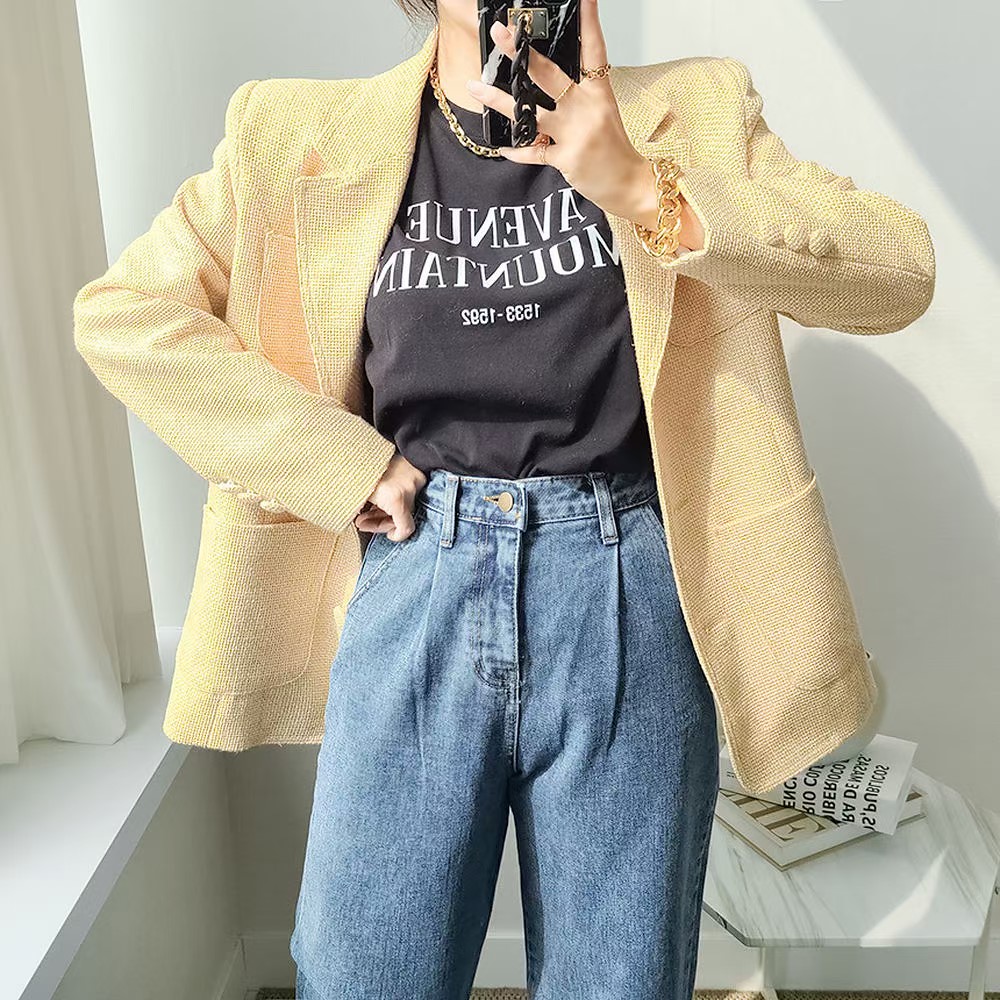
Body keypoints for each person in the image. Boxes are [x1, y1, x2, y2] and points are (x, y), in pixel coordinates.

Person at [72, 0, 935, 997]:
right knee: (363, 976)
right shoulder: (294, 132)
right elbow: (125, 314)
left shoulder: (694, 112)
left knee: (619, 980)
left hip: (628, 591)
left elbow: (899, 271)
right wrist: (337, 463)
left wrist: (643, 188)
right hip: (416, 582)